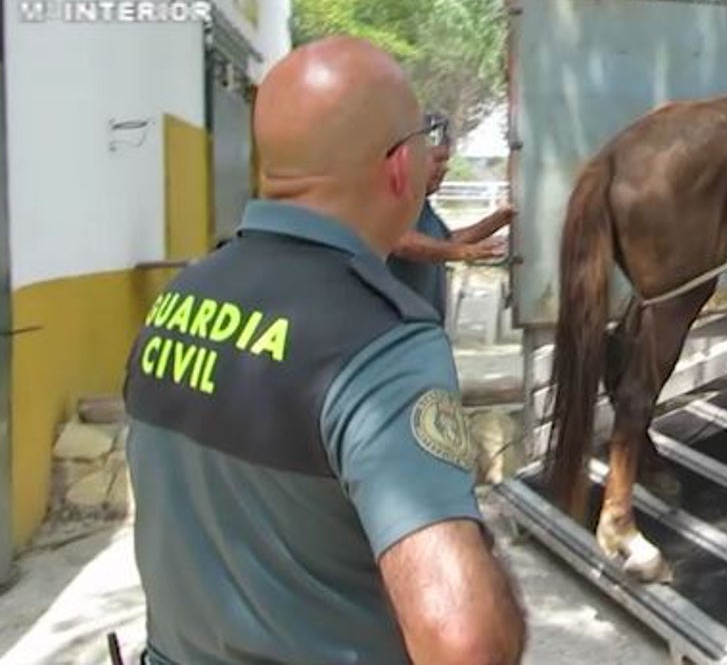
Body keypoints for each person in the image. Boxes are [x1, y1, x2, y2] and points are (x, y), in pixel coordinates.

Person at [122, 35, 526, 665]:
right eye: (425, 138)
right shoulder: (382, 342)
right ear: (398, 167)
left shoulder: (181, 296)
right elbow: (464, 645)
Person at [388, 112, 514, 324]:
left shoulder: (422, 205)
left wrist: (497, 221)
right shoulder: (392, 199)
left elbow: (444, 243)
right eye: (438, 159)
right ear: (409, 158)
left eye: (446, 160)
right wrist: (464, 252)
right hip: (398, 330)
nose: (445, 168)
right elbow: (401, 242)